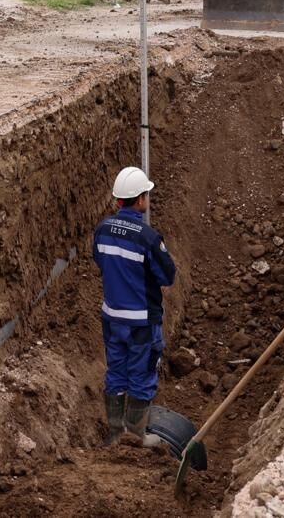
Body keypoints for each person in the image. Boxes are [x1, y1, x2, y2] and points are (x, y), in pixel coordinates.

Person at [94, 166, 177, 443]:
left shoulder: (102, 230)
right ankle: (135, 436)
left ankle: (116, 435)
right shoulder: (148, 238)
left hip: (111, 318)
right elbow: (167, 276)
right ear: (140, 199)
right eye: (146, 195)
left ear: (119, 200)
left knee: (116, 371)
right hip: (141, 321)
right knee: (141, 375)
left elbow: (101, 261)